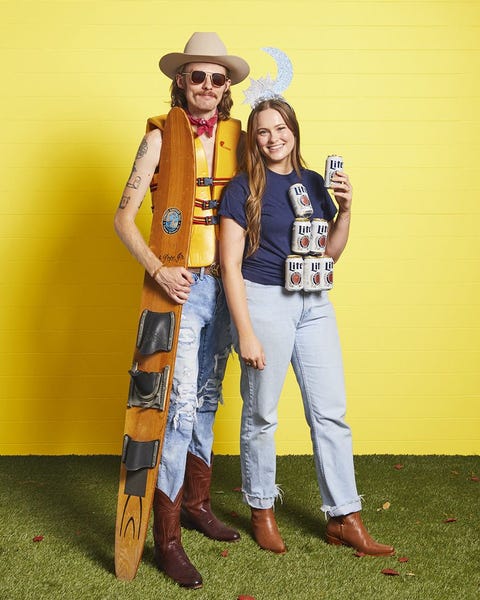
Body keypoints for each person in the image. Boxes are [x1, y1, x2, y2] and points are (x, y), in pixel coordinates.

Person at [219, 98, 395, 557]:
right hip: (264, 302)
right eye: (263, 131)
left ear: (294, 131)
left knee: (330, 411)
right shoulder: (241, 189)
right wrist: (246, 331)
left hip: (314, 302)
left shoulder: (315, 182)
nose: (274, 138)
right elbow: (230, 266)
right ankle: (261, 508)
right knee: (262, 413)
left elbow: (329, 255)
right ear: (252, 140)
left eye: (281, 128)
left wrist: (346, 210)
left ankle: (344, 516)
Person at [114, 32, 249, 589]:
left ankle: (197, 504)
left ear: (227, 88)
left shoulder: (243, 137)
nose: (209, 87)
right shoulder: (157, 136)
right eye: (199, 76)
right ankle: (165, 539)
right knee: (179, 407)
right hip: (182, 286)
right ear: (181, 81)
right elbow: (123, 218)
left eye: (219, 79)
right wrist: (157, 266)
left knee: (210, 399)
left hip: (230, 285)